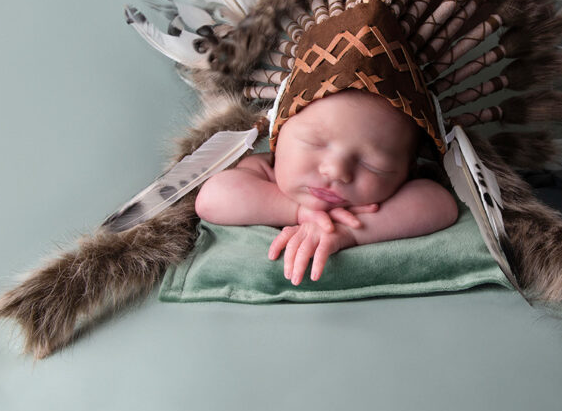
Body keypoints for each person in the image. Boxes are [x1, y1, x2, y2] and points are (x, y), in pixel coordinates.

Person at [195, 89, 459, 285]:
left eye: (373, 165)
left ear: (407, 170)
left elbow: (441, 204)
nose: (336, 171)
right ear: (278, 135)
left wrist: (350, 231)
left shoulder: (398, 188)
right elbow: (211, 199)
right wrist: (298, 211)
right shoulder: (264, 170)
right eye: (314, 143)